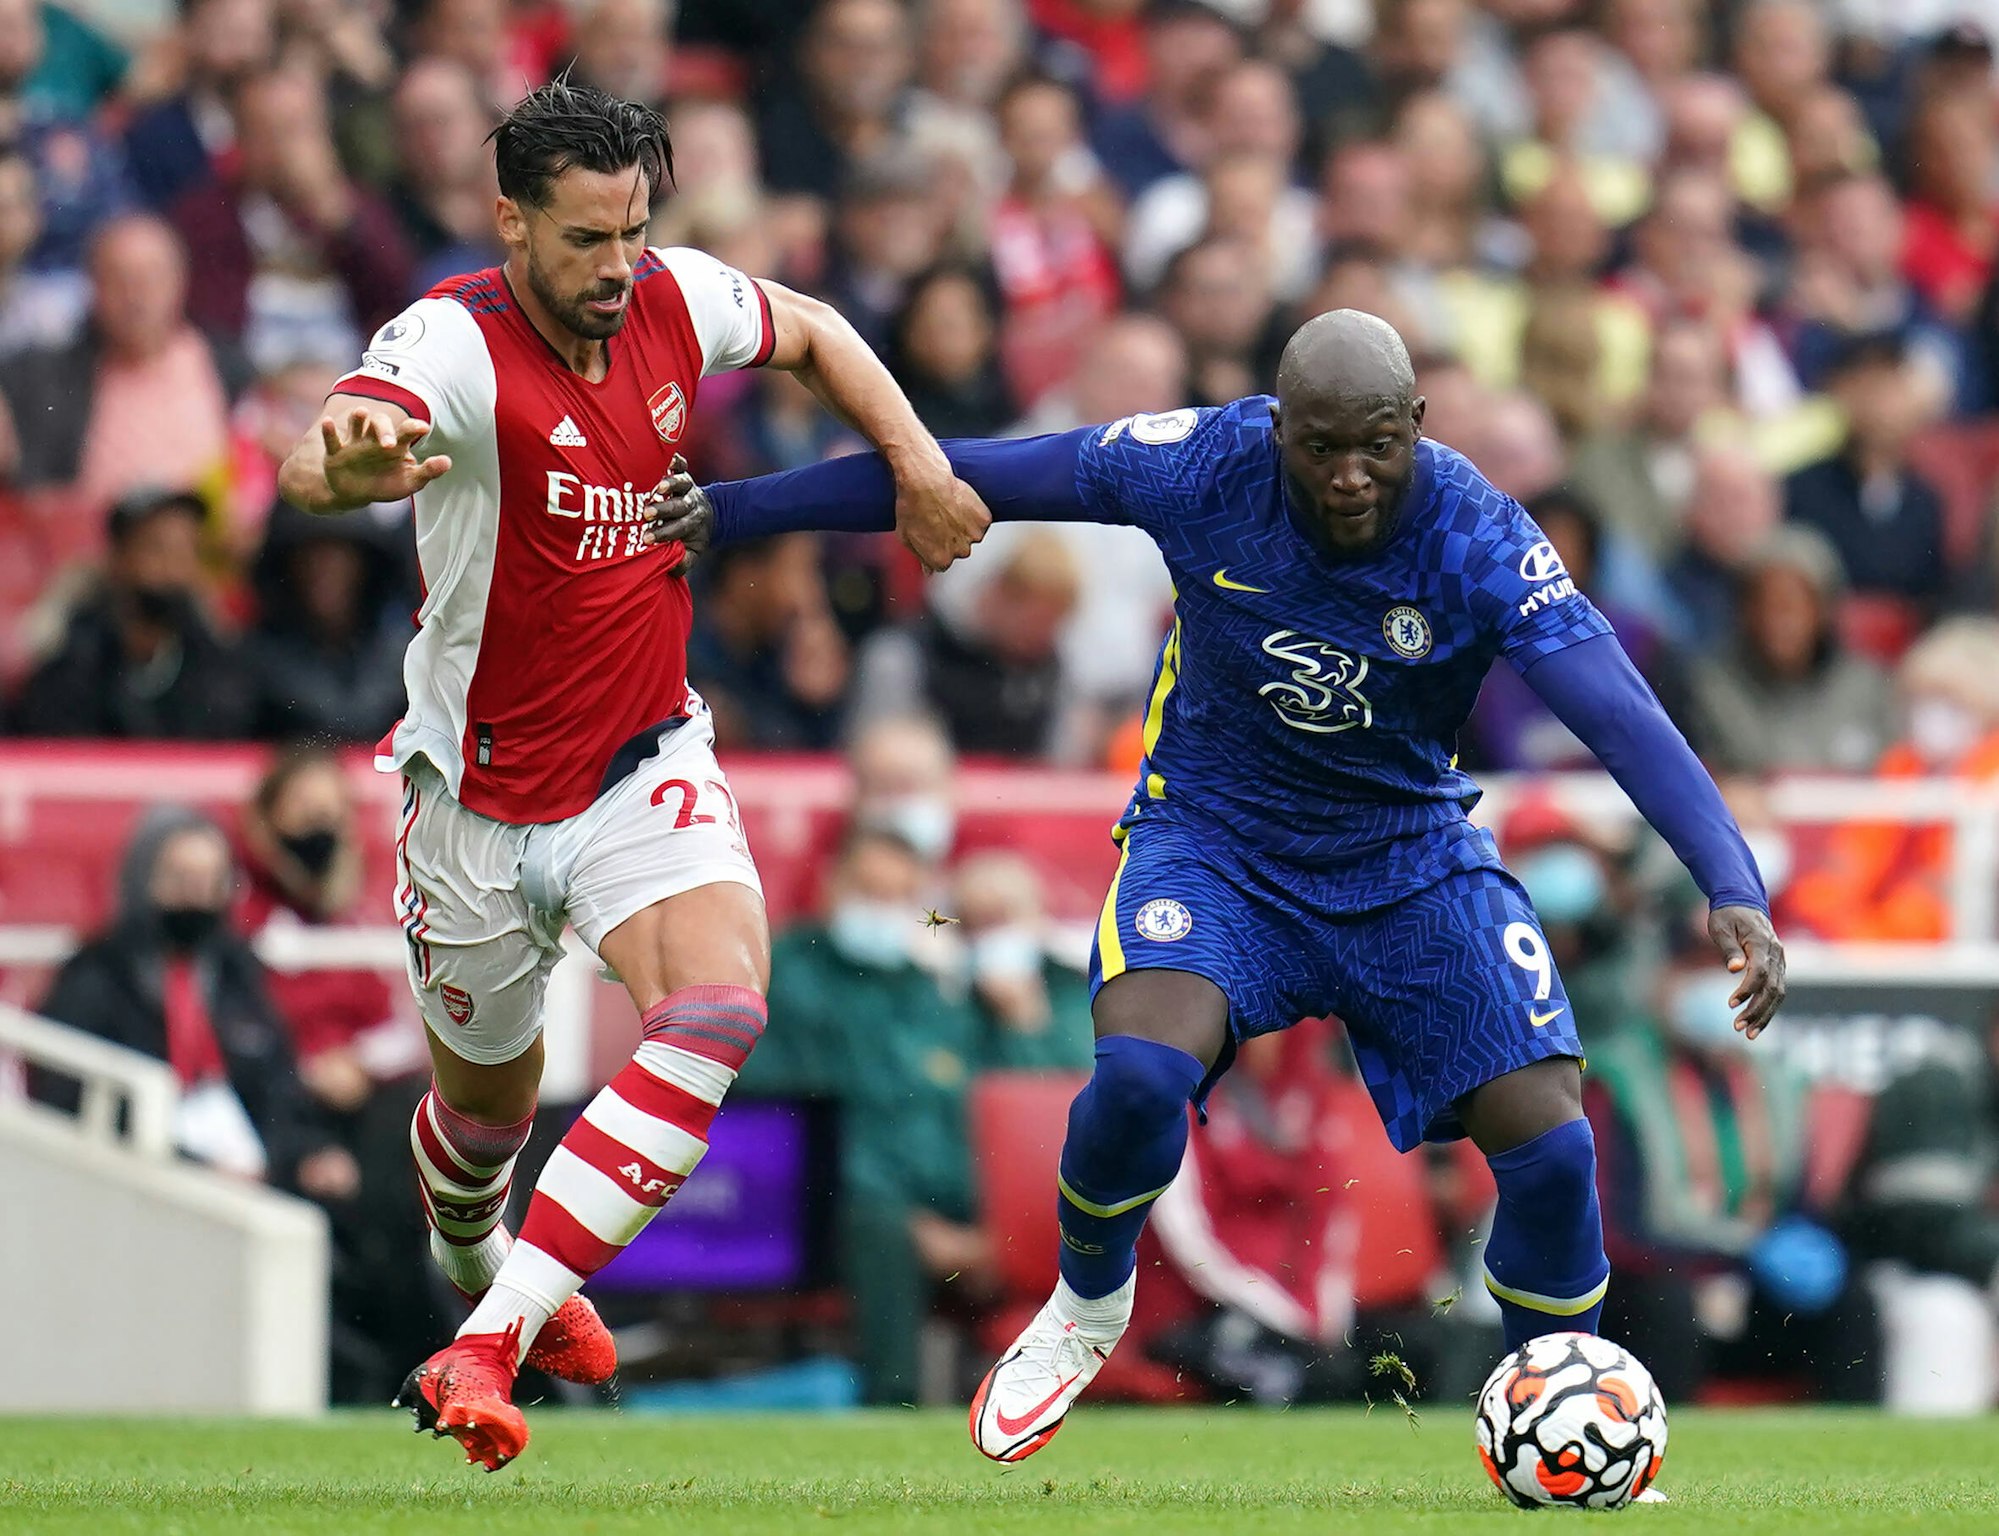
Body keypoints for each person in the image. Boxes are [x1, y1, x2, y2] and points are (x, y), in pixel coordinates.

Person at [657, 307, 1785, 1464]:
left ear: (1417, 427)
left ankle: (1562, 1414)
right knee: (1140, 1079)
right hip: (1215, 843)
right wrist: (739, 509)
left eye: (1376, 447)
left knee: (1550, 1145)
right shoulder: (1201, 461)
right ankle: (1086, 1306)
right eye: (1320, 447)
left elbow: (1617, 711)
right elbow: (975, 469)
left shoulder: (1477, 533)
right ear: (1278, 428)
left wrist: (1728, 878)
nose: (1348, 477)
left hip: (1406, 862)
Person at [273, 77, 987, 1469]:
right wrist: (341, 473)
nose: (617, 270)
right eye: (585, 240)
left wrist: (915, 464)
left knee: (717, 1012)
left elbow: (820, 331)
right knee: (479, 1124)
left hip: (640, 764)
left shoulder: (672, 295)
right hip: (470, 806)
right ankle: (486, 1269)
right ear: (510, 220)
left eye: (633, 234)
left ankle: (487, 1340)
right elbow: (324, 449)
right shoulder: (452, 340)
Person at [740, 825, 993, 1404]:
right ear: (832, 887)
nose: (882, 911)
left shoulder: (933, 992)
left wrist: (987, 1226)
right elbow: (796, 1123)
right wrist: (913, 1223)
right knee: (878, 1223)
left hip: (940, 1203)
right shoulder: (787, 975)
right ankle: (894, 1402)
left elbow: (964, 1113)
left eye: (897, 897)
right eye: (867, 891)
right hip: (819, 1203)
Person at [11, 488, 255, 739]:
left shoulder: (214, 657)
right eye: (157, 549)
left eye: (188, 551)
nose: (173, 566)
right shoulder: (73, 653)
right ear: (118, 559)